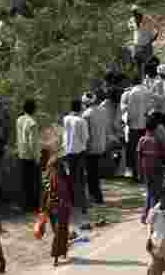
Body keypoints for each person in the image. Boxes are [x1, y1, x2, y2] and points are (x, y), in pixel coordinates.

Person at [62, 99, 90, 230]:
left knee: (71, 178)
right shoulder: (81, 121)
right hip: (79, 152)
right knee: (80, 179)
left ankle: (72, 203)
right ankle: (82, 206)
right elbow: (85, 138)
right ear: (80, 108)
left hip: (68, 152)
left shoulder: (66, 118)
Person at [137, 114, 165, 224]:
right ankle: (151, 217)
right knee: (155, 194)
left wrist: (139, 172)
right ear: (156, 128)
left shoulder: (142, 140)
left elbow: (138, 157)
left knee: (150, 192)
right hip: (157, 170)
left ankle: (144, 216)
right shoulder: (158, 141)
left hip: (146, 170)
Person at [42, 157, 73, 267]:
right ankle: (61, 252)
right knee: (60, 230)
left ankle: (57, 255)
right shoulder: (52, 177)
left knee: (60, 231)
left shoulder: (60, 177)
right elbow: (45, 193)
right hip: (57, 208)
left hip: (59, 208)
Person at [82, 92, 107, 204]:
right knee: (95, 172)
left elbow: (86, 134)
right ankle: (97, 196)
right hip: (101, 145)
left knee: (92, 174)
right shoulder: (103, 110)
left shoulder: (86, 114)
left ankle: (96, 196)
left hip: (91, 148)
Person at [15, 99, 40, 211]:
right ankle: (33, 205)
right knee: (33, 182)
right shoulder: (32, 123)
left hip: (21, 154)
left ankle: (24, 205)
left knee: (24, 181)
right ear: (34, 109)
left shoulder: (19, 120)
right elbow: (33, 143)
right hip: (30, 156)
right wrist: (37, 157)